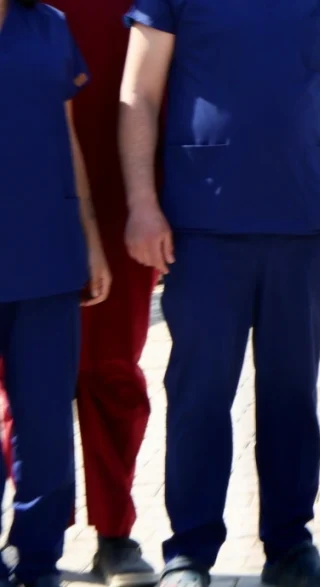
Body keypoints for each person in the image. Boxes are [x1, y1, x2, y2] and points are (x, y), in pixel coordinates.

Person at [117, 0, 320, 584]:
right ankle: (188, 553)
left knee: (292, 398)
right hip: (203, 225)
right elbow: (138, 94)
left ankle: (290, 548)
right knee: (199, 397)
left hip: (300, 225)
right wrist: (142, 202)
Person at [0, 0, 161, 583]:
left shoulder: (64, 22)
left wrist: (148, 208)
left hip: (114, 203)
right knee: (16, 397)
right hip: (32, 215)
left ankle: (112, 534)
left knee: (110, 373)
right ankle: (27, 541)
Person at [0, 0, 113, 584]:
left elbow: (67, 137)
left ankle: (38, 559)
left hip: (47, 258)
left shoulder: (50, 25)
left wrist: (91, 237)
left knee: (44, 424)